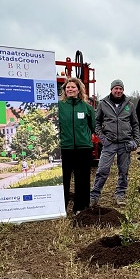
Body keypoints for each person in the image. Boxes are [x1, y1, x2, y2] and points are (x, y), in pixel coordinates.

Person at [90, 80, 140, 207]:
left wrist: (135, 141)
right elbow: (96, 124)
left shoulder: (129, 104)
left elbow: (135, 124)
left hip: (125, 144)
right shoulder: (103, 104)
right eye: (116, 88)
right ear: (111, 89)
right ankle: (94, 196)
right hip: (109, 143)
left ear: (123, 90)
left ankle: (120, 195)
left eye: (120, 89)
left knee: (123, 171)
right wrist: (103, 139)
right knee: (102, 170)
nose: (118, 91)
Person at [57, 77, 96, 213]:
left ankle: (81, 207)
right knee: (64, 179)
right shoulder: (59, 106)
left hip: (83, 148)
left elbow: (93, 126)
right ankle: (62, 207)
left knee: (82, 178)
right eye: (68, 87)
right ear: (64, 90)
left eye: (73, 87)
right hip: (65, 148)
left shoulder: (87, 107)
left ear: (79, 90)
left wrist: (83, 137)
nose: (70, 89)